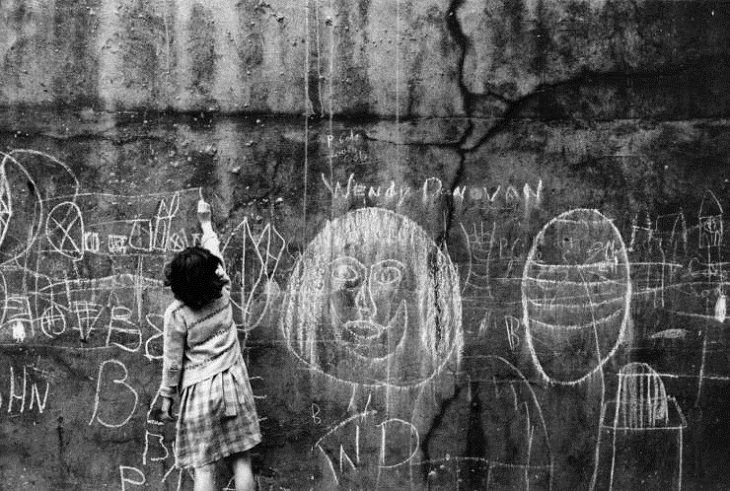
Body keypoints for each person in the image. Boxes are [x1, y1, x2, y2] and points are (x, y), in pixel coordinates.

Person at [158, 199, 261, 491]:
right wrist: (206, 224)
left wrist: (167, 396)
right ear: (212, 276)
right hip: (234, 384)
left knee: (204, 469)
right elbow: (214, 253)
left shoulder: (177, 314)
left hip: (199, 393)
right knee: (241, 459)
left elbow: (173, 360)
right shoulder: (223, 292)